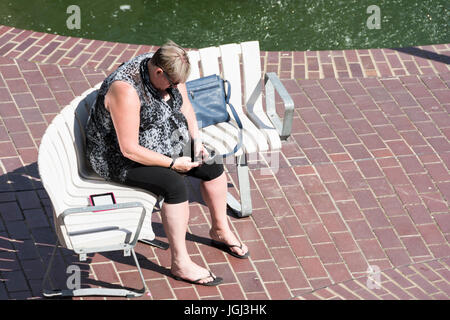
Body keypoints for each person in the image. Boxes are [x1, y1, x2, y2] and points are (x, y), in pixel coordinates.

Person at [85, 40, 249, 286]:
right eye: (172, 83)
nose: (174, 88)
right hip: (116, 158)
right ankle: (180, 262)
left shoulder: (165, 66)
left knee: (212, 164)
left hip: (159, 141)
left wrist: (196, 141)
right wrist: (172, 165)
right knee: (173, 185)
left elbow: (185, 105)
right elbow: (128, 148)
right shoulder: (126, 90)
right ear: (158, 71)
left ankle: (220, 229)